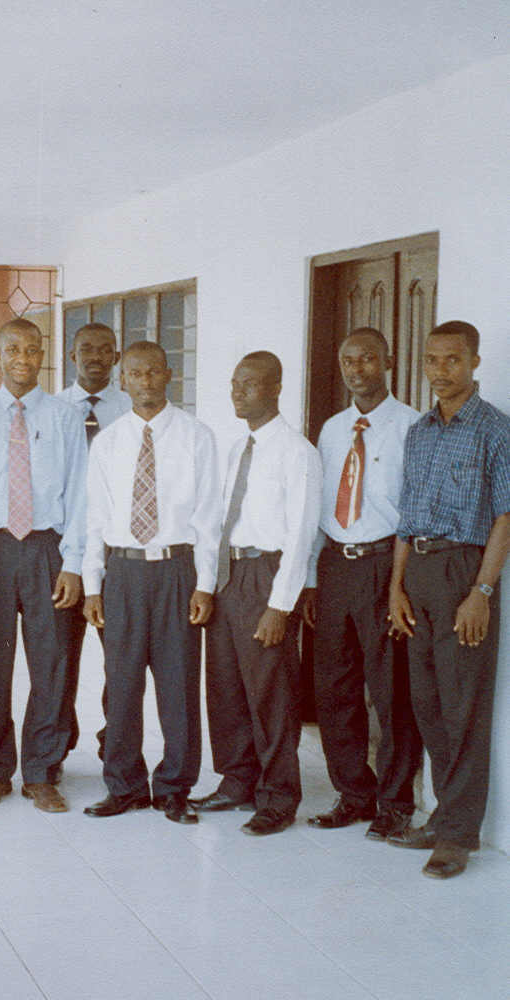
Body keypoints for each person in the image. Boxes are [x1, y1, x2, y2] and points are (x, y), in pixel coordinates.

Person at [82, 341, 221, 824]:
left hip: (176, 571)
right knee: (121, 684)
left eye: (153, 372)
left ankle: (175, 787)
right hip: (123, 573)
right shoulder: (109, 442)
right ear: (123, 380)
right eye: (135, 373)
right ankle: (124, 786)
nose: (144, 381)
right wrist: (93, 584)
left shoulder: (196, 436)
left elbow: (209, 518)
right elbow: (95, 518)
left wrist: (205, 584)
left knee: (178, 684)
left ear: (168, 375)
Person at [388, 321, 508, 879]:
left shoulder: (494, 430)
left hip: (464, 572)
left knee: (463, 708)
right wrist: (396, 587)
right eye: (432, 360)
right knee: (429, 706)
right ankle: (442, 816)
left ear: (474, 362)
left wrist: (481, 591)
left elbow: (505, 517)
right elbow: (406, 516)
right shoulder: (419, 431)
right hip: (419, 572)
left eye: (452, 360)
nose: (440, 370)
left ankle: (459, 836)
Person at [0, 318, 87, 813]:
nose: (22, 359)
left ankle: (42, 771)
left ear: (43, 355)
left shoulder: (65, 416)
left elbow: (81, 491)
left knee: (51, 664)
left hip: (48, 548)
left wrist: (73, 562)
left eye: (32, 350)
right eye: (13, 349)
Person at [191, 352, 321, 835]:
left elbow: (301, 535)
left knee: (271, 691)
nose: (237, 392)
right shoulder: (235, 449)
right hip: (230, 574)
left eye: (248, 384)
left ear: (275, 388)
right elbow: (215, 522)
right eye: (234, 383)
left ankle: (279, 796)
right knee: (226, 686)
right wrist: (208, 584)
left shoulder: (297, 452)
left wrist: (279, 606)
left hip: (268, 575)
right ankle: (237, 781)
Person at [302, 329, 422, 840]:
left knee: (392, 691)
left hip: (384, 565)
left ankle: (395, 803)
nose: (357, 369)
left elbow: (414, 510)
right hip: (335, 566)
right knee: (334, 689)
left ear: (388, 362)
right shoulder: (332, 430)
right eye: (348, 360)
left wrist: (401, 583)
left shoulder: (412, 426)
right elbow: (318, 507)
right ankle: (353, 794)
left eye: (368, 359)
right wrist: (312, 578)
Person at [56, 322, 131, 759]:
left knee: (118, 659)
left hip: (115, 556)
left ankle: (114, 745)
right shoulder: (54, 410)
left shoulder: (132, 410)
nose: (95, 357)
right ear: (72, 356)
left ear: (117, 357)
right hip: (64, 554)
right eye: (86, 349)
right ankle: (58, 745)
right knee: (59, 660)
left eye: (105, 350)